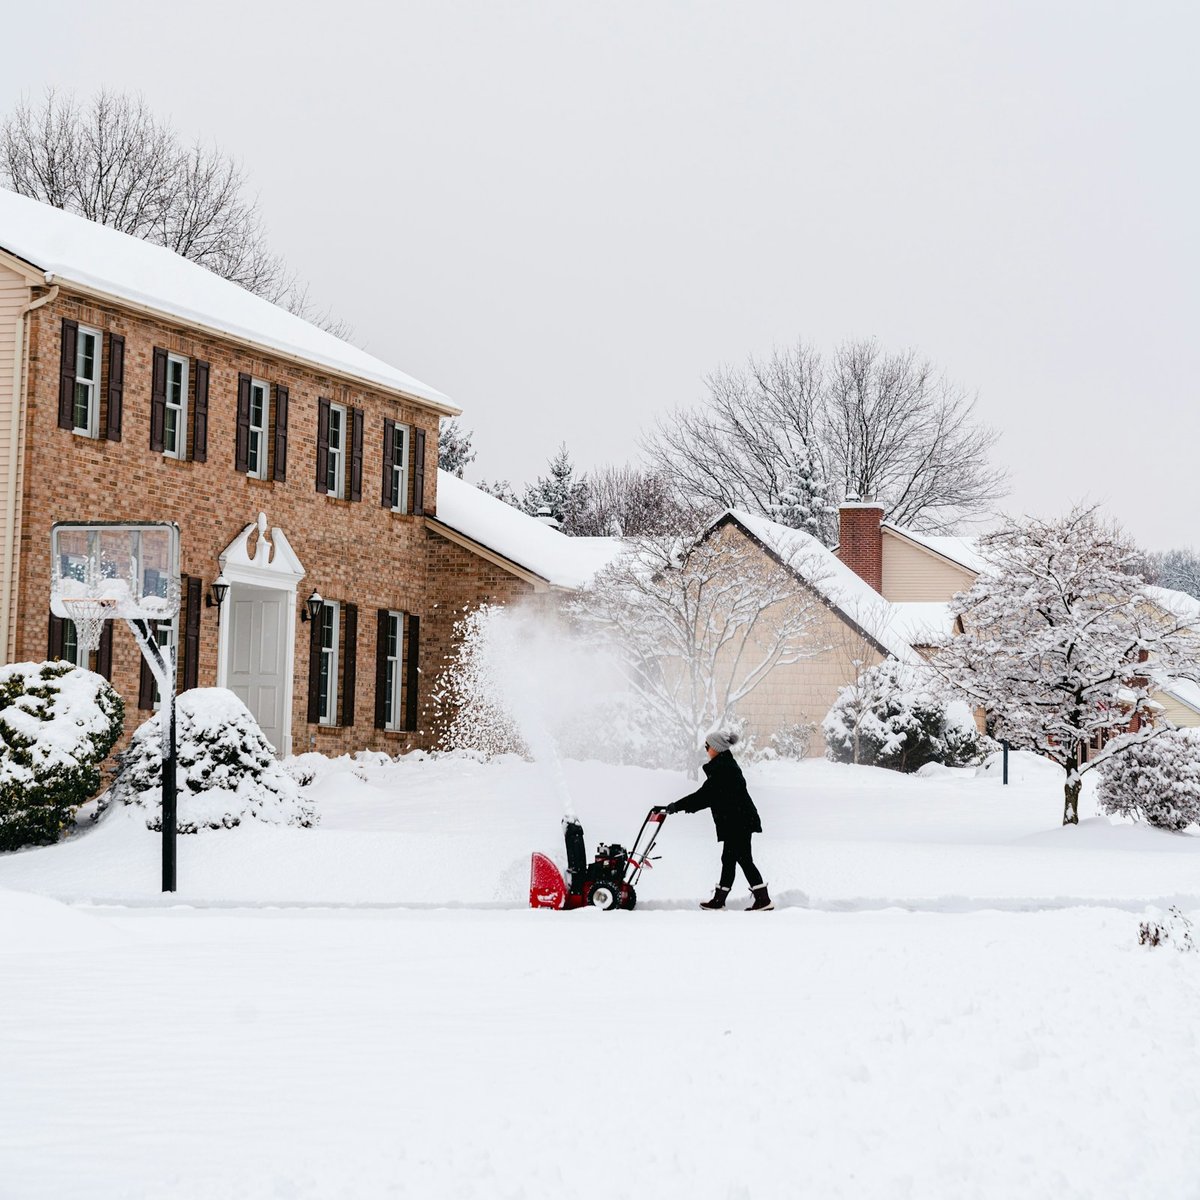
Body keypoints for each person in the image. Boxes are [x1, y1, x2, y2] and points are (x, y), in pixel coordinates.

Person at [666, 730, 772, 911]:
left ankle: (762, 900)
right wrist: (680, 806)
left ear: (716, 748)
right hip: (737, 821)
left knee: (743, 860)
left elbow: (705, 796)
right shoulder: (724, 766)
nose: (706, 749)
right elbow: (709, 795)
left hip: (738, 822)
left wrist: (678, 806)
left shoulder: (723, 769)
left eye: (707, 746)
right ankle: (720, 900)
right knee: (730, 859)